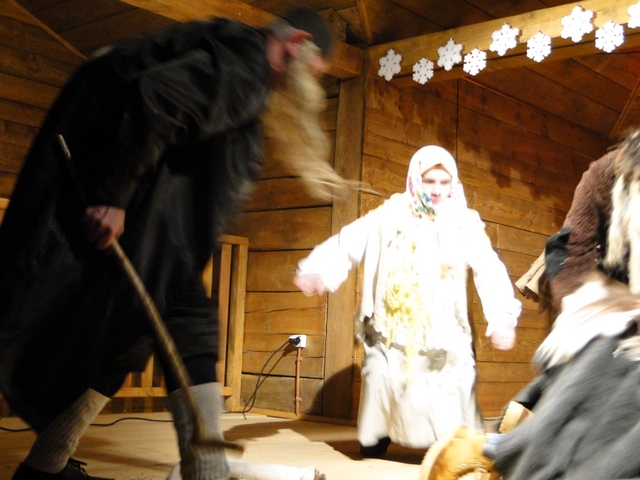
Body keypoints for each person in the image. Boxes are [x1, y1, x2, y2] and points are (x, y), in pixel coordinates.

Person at [0, 7, 351, 480]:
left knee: (131, 341)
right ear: (296, 43)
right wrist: (112, 197)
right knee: (189, 332)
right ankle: (207, 471)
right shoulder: (244, 65)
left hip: (160, 240)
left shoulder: (234, 60)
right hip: (144, 231)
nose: (309, 85)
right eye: (315, 72)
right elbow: (156, 98)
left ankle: (45, 466)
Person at [422, 127, 640, 480]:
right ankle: (499, 448)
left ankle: (503, 444)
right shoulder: (606, 173)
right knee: (607, 374)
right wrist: (588, 311)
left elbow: (487, 266)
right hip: (609, 304)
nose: (436, 189)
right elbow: (571, 248)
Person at [293, 145, 521, 457]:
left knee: (448, 382)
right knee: (384, 376)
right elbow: (349, 241)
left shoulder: (464, 223)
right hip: (394, 324)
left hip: (442, 327)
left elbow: (489, 268)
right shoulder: (389, 215)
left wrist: (502, 314)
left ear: (453, 184)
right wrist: (319, 270)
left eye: (444, 182)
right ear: (415, 179)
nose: (437, 190)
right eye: (430, 181)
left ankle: (453, 447)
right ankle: (377, 436)